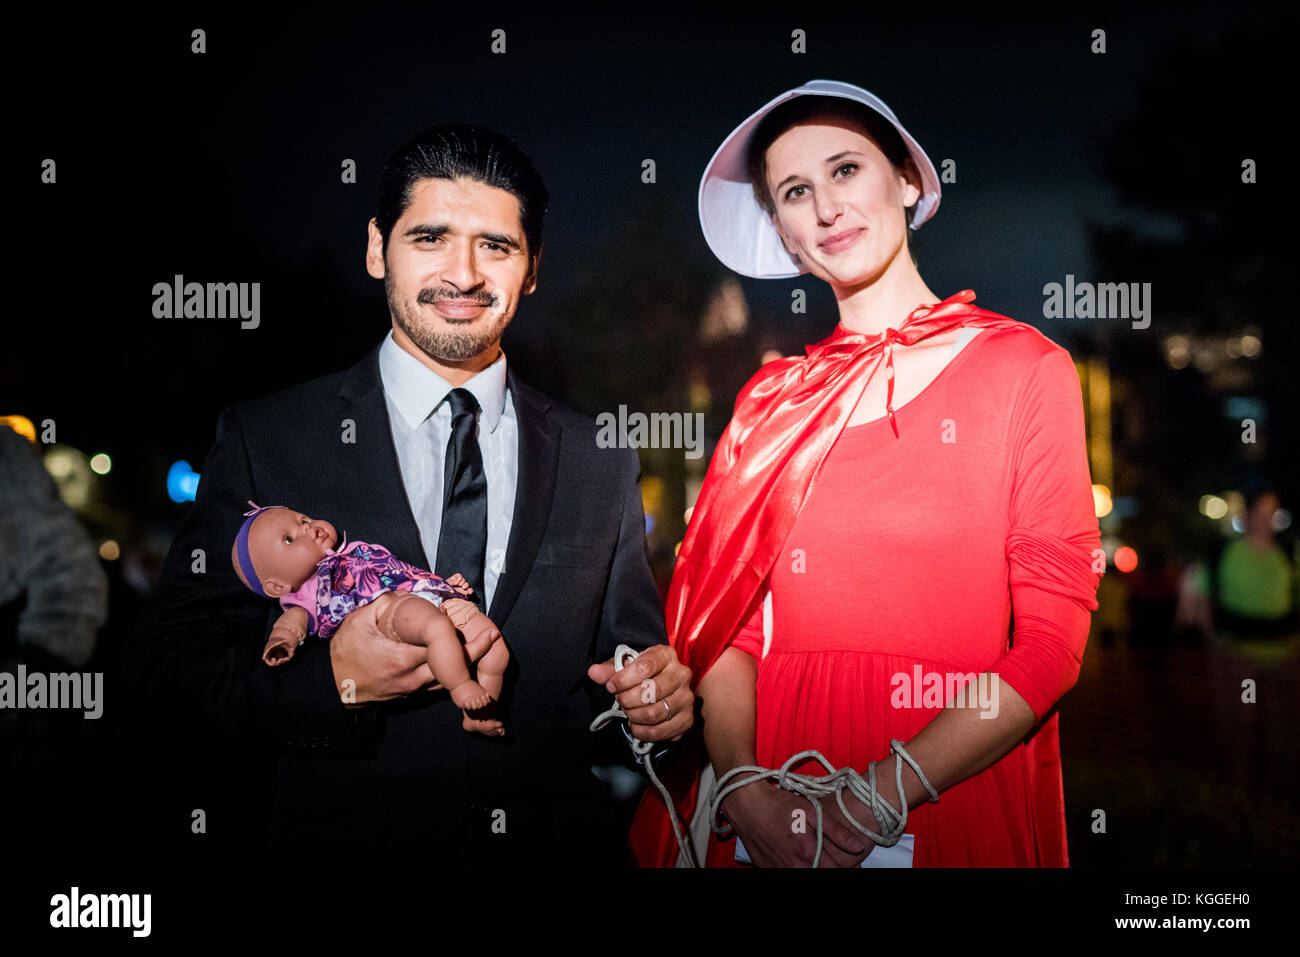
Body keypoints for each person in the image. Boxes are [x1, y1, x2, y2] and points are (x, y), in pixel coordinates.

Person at [128, 123, 693, 868]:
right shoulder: (268, 439)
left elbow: (616, 676)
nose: (463, 273)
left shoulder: (601, 458)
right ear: (376, 248)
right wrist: (333, 682)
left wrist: (651, 705)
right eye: (430, 236)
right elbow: (162, 682)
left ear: (531, 269)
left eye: (496, 245)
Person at [629, 80, 1103, 867]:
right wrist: (743, 790)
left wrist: (881, 793)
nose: (826, 208)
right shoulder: (769, 400)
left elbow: (1051, 644)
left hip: (946, 788)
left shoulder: (1028, 369)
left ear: (908, 179)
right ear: (783, 234)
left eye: (846, 169)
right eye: (795, 191)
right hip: (772, 795)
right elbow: (727, 636)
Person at [231, 502, 509, 735]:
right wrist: (281, 641)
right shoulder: (305, 599)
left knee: (496, 651)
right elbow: (290, 625)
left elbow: (400, 571)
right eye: (289, 539)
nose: (306, 528)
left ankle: (479, 717)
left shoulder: (357, 551)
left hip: (435, 597)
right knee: (435, 628)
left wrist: (441, 583)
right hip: (391, 613)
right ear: (277, 587)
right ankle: (460, 687)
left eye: (302, 520)